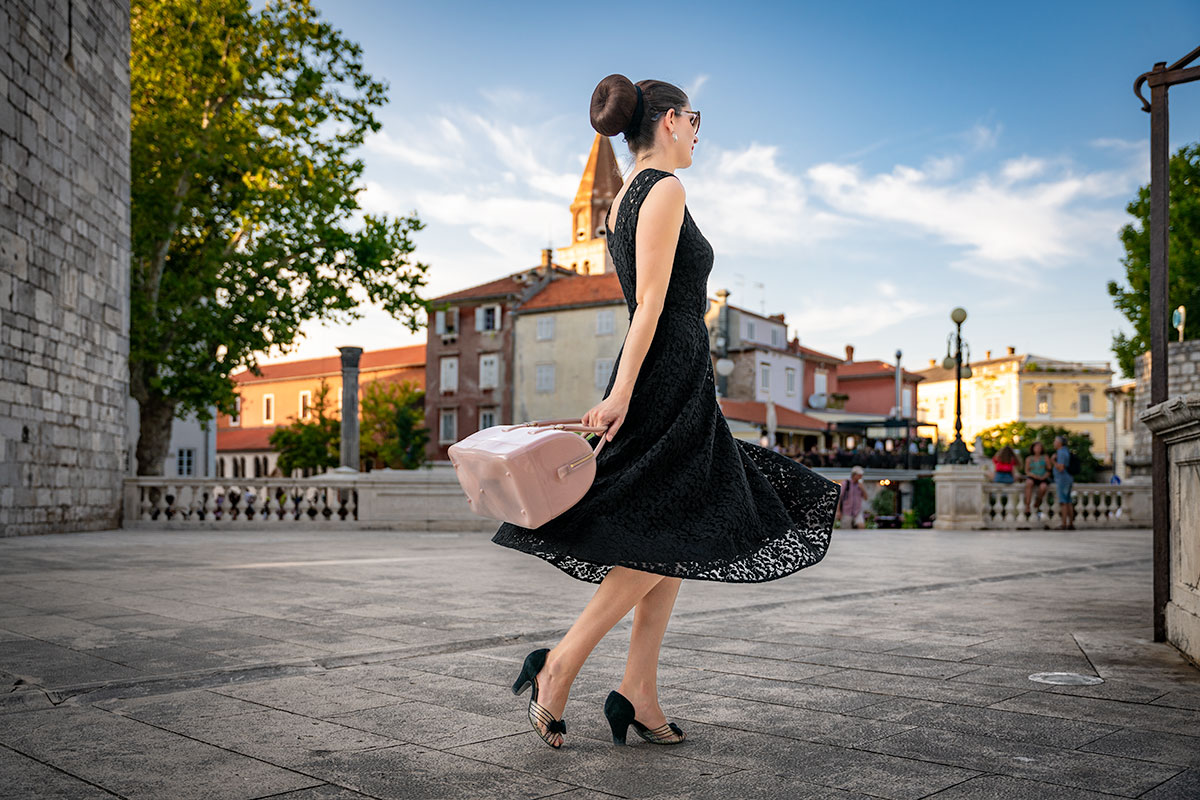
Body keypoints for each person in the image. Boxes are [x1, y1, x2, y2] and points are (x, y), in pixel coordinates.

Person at [491, 75, 839, 750]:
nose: (699, 133)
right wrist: (623, 392)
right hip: (668, 366)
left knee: (676, 522)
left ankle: (638, 691)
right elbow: (650, 302)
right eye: (695, 120)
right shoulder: (665, 188)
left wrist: (630, 382)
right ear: (673, 120)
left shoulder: (627, 195)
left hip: (668, 364)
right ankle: (559, 665)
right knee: (677, 524)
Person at [1051, 435, 1076, 530]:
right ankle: (1070, 523)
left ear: (1059, 443)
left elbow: (1061, 468)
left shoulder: (1061, 452)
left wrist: (1053, 461)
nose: (1054, 443)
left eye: (1055, 441)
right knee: (1068, 501)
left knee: (1063, 502)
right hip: (1068, 479)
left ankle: (1064, 524)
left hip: (1062, 479)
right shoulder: (1066, 451)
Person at [1023, 441, 1051, 518]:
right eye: (1036, 447)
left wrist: (1043, 476)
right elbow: (1027, 471)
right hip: (1033, 476)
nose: (1038, 449)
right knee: (1029, 483)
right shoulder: (1029, 458)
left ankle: (1037, 502)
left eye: (1039, 447)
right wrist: (1033, 475)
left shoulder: (1045, 457)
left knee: (1043, 487)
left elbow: (1049, 470)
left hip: (1043, 477)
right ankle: (1027, 506)